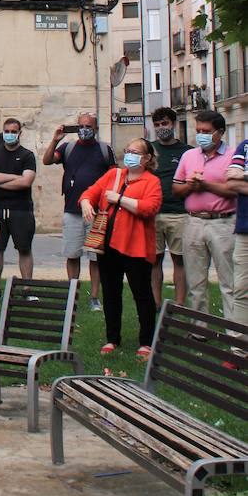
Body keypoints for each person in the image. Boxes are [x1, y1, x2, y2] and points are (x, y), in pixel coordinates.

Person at [80, 138, 163, 359]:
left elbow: (149, 208)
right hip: (108, 244)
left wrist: (120, 199)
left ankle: (146, 341)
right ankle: (112, 338)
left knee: (142, 294)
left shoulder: (151, 182)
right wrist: (87, 202)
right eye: (128, 150)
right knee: (111, 293)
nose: (130, 155)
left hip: (136, 246)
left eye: (136, 152)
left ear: (147, 158)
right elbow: (91, 192)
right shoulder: (114, 175)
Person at [42, 112, 115, 312]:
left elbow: (114, 177)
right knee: (72, 254)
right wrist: (55, 140)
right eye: (81, 126)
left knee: (95, 257)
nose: (85, 130)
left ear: (96, 129)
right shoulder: (68, 148)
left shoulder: (104, 150)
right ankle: (72, 293)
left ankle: (94, 296)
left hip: (97, 213)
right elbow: (47, 161)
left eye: (89, 127)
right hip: (72, 210)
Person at [173, 111, 237, 317]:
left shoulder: (232, 156)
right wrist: (191, 186)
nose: (201, 135)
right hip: (194, 221)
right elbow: (176, 188)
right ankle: (199, 330)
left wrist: (205, 184)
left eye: (206, 131)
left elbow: (233, 190)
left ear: (219, 132)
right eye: (198, 130)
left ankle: (235, 333)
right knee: (196, 282)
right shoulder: (189, 156)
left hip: (222, 222)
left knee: (230, 282)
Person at [0, 117, 37, 298]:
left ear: (19, 133)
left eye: (13, 132)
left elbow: (26, 182)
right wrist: (14, 178)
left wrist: (0, 180)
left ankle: (27, 289)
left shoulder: (27, 155)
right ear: (3, 132)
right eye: (7, 131)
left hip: (21, 210)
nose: (10, 135)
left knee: (24, 248)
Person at [148, 107, 192, 309]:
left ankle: (180, 302)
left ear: (173, 124)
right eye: (157, 125)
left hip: (179, 213)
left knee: (179, 259)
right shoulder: (149, 150)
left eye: (164, 123)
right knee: (154, 260)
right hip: (153, 213)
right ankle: (155, 302)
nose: (160, 128)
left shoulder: (187, 151)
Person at [225, 137, 248, 339]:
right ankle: (239, 349)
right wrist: (239, 178)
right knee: (241, 289)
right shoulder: (245, 146)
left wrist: (245, 176)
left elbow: (239, 179)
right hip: (245, 230)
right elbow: (232, 181)